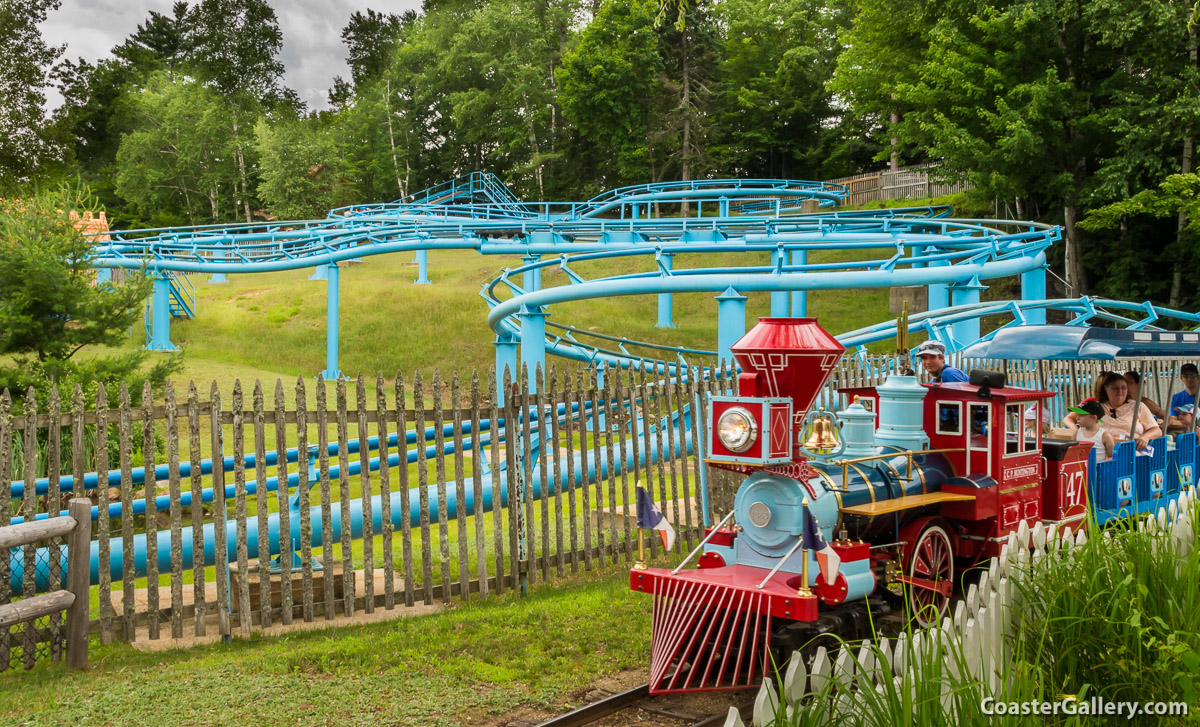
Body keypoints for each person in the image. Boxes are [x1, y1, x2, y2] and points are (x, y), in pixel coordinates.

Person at [1090, 371, 1162, 449]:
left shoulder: (1138, 406)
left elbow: (1156, 430)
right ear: (1105, 388)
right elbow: (1076, 418)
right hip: (1101, 450)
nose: (1120, 391)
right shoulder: (1095, 408)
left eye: (1123, 388)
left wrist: (1145, 437)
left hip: (1131, 450)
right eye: (1115, 388)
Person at [1169, 363, 1200, 431]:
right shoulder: (1176, 398)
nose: (1189, 379)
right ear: (1181, 378)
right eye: (1186, 376)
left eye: (1192, 375)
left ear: (1198, 377)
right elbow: (1173, 419)